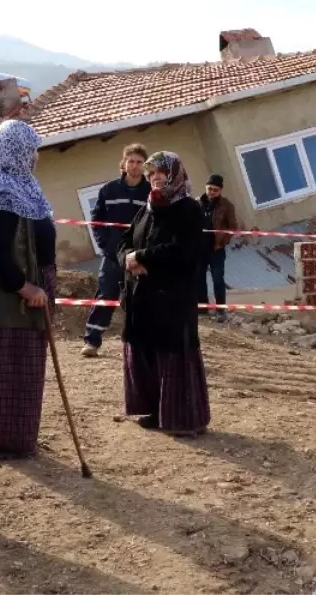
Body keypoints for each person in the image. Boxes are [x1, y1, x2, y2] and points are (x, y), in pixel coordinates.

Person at [117, 151, 211, 436]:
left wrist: (143, 257)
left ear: (174, 174)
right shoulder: (146, 208)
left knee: (173, 356)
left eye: (161, 172)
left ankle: (185, 419)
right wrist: (128, 259)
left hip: (173, 299)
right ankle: (157, 412)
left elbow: (184, 251)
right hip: (143, 298)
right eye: (151, 174)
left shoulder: (188, 209)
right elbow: (124, 242)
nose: (155, 178)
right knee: (147, 353)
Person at [0, 120, 57, 459]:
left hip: (34, 288)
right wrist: (25, 288)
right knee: (10, 367)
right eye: (32, 149)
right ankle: (2, 440)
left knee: (27, 367)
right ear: (16, 151)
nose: (36, 156)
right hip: (13, 298)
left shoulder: (24, 186)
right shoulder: (4, 193)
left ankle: (20, 437)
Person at [82, 143, 150, 357]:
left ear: (144, 166)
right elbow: (96, 220)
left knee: (139, 299)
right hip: (112, 256)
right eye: (131, 161)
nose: (135, 166)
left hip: (138, 256)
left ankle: (139, 344)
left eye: (139, 162)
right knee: (106, 295)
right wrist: (104, 245)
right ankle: (92, 342)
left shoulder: (150, 193)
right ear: (124, 163)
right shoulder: (109, 190)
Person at [197, 174, 240, 323]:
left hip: (216, 249)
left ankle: (220, 310)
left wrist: (223, 241)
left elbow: (233, 227)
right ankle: (202, 308)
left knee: (218, 280)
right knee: (199, 279)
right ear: (205, 187)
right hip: (199, 249)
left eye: (215, 190)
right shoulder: (197, 203)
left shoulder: (226, 205)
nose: (211, 192)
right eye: (209, 189)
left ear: (220, 191)